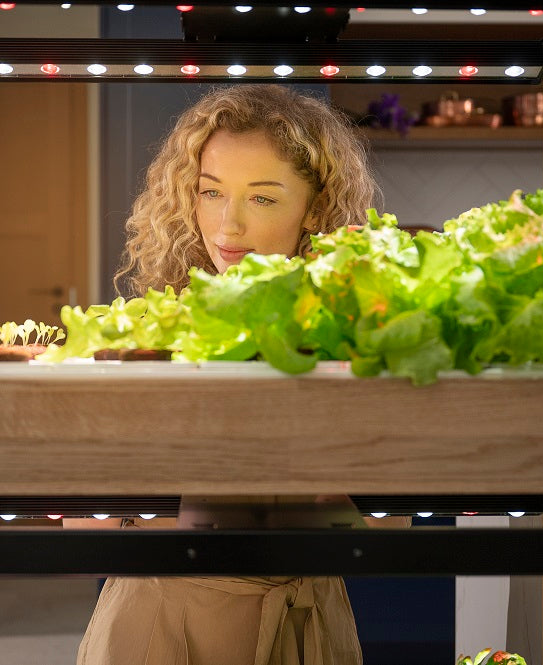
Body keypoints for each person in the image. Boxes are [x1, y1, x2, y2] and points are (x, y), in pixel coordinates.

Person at [80, 84, 379, 665]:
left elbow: (381, 524)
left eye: (263, 199)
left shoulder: (354, 329)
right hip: (161, 620)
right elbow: (78, 518)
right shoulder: (151, 330)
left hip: (309, 620)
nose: (228, 224)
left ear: (316, 207)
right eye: (209, 193)